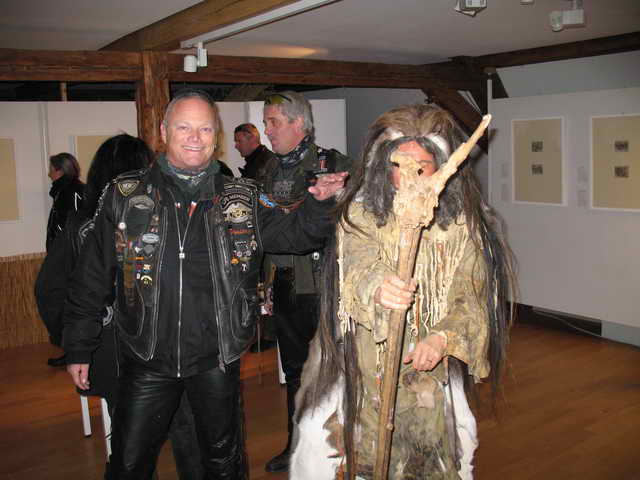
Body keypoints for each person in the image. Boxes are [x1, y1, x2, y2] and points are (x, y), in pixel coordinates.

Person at [62, 89, 347, 480]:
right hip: (147, 358)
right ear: (164, 132)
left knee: (222, 463)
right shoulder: (125, 195)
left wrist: (320, 203)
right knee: (128, 463)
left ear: (216, 137)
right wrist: (79, 344)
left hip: (216, 357)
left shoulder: (242, 197)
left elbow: (297, 235)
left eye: (205, 129)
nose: (195, 137)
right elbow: (91, 276)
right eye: (184, 127)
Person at [290, 105, 517, 479]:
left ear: (441, 166)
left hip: (430, 367)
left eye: (421, 166)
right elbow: (358, 261)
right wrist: (379, 286)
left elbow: (469, 292)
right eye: (398, 165)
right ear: (384, 166)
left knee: (449, 445)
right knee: (327, 443)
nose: (409, 176)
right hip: (363, 358)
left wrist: (442, 337)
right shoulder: (360, 215)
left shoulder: (462, 227)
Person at [260, 90, 351, 473]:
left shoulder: (334, 164)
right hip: (285, 285)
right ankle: (297, 446)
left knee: (332, 370)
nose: (267, 131)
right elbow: (266, 227)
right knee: (295, 372)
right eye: (266, 122)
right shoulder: (269, 169)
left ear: (298, 123)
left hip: (322, 285)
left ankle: (340, 446)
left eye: (273, 122)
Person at [36, 152, 84, 367]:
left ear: (60, 170)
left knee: (53, 297)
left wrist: (65, 256)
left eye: (51, 169)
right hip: (64, 256)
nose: (48, 174)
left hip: (68, 259)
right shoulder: (64, 191)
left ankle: (74, 351)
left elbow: (76, 228)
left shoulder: (72, 191)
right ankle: (71, 350)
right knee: (62, 302)